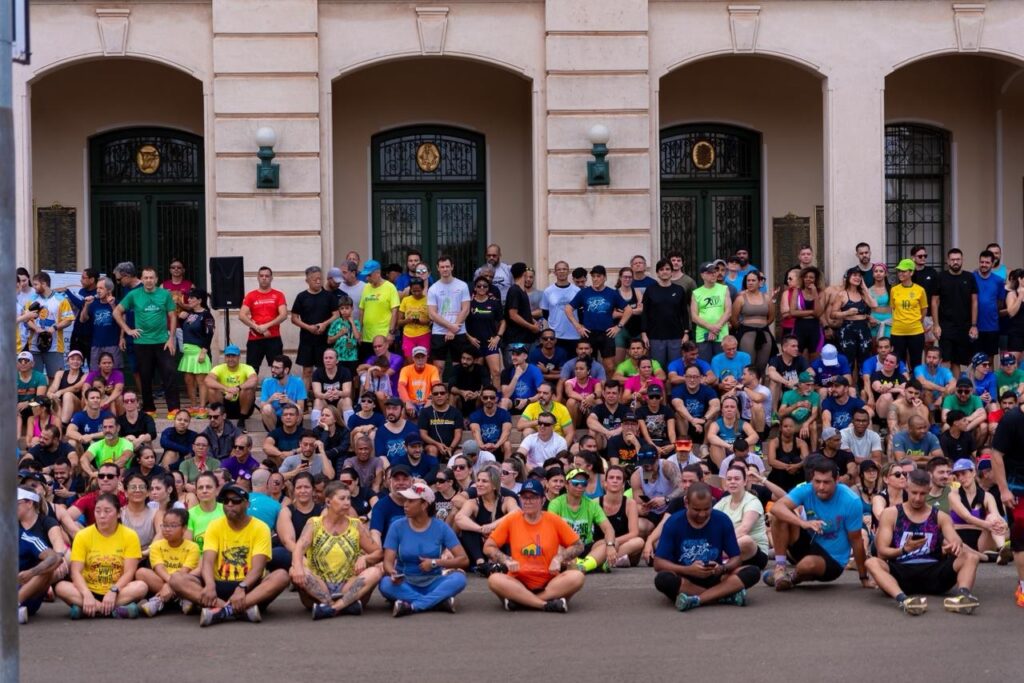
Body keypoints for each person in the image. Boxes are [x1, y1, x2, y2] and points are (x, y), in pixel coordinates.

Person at [170, 485, 290, 626]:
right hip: (217, 585)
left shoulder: (261, 527)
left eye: (235, 501)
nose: (229, 505)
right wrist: (209, 585)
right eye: (226, 501)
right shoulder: (214, 526)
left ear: (247, 504)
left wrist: (242, 587)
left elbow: (258, 568)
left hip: (249, 588)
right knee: (176, 579)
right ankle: (238, 610)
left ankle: (222, 611)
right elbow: (207, 562)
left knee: (282, 576)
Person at [865, 469, 981, 615]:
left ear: (929, 490)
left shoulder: (940, 516)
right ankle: (903, 600)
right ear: (907, 488)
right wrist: (904, 549)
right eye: (914, 493)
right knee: (871, 562)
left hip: (934, 572)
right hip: (902, 571)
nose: (918, 498)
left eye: (922, 493)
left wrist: (954, 545)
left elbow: (955, 539)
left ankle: (964, 596)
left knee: (971, 557)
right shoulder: (891, 514)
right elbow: (882, 550)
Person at [765, 455, 871, 591]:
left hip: (833, 560)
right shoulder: (807, 489)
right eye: (817, 481)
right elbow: (776, 507)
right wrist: (802, 523)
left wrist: (863, 577)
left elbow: (856, 541)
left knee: (807, 565)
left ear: (837, 480)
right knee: (780, 516)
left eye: (826, 482)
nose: (820, 487)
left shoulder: (851, 500)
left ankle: (790, 579)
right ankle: (780, 568)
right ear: (811, 479)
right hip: (808, 544)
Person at [653, 483, 761, 611]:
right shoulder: (673, 523)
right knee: (663, 579)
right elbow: (658, 563)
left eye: (707, 509)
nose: (702, 514)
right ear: (686, 503)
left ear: (712, 502)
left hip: (716, 577)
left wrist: (722, 568)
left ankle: (698, 599)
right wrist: (688, 570)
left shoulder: (722, 520)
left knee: (753, 571)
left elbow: (736, 558)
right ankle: (722, 596)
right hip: (685, 578)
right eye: (697, 510)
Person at [483, 479, 585, 613]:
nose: (527, 501)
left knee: (577, 576)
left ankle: (523, 601)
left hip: (549, 581)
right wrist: (506, 560)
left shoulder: (553, 520)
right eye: (524, 497)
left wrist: (559, 558)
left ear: (543, 500)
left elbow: (578, 545)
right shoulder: (512, 520)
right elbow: (488, 546)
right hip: (518, 581)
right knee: (494, 579)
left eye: (533, 497)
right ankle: (544, 605)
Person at [289, 481, 383, 619]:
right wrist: (297, 567)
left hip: (348, 584)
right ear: (328, 502)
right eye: (342, 498)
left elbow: (378, 552)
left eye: (349, 498)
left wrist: (365, 558)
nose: (347, 503)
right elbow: (299, 547)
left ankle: (332, 608)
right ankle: (345, 606)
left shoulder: (355, 525)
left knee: (375, 571)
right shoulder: (314, 523)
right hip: (320, 585)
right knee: (293, 569)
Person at [380, 480, 469, 617]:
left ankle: (413, 605)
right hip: (405, 582)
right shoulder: (397, 526)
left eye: (411, 501)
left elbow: (463, 560)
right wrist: (392, 573)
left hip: (434, 581)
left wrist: (435, 562)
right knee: (385, 583)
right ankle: (437, 602)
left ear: (424, 505)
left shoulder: (441, 527)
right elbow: (387, 562)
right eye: (405, 500)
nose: (405, 505)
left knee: (459, 579)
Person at [55, 493, 148, 618]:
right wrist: (86, 594)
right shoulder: (83, 535)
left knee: (141, 587)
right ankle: (111, 609)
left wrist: (113, 591)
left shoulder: (130, 535)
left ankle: (86, 608)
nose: (102, 515)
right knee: (61, 587)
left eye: (107, 511)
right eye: (97, 511)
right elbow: (76, 572)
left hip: (118, 591)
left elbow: (129, 572)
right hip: (88, 589)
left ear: (118, 513)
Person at [112, 266, 180, 418]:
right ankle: (149, 409)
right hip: (142, 343)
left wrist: (171, 338)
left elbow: (173, 316)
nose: (149, 280)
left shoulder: (164, 294)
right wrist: (128, 330)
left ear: (156, 280)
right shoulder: (134, 295)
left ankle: (174, 409)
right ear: (142, 279)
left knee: (169, 373)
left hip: (163, 342)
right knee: (145, 376)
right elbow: (116, 312)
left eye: (151, 278)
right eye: (146, 278)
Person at [546, 467, 617, 573]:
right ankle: (593, 564)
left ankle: (582, 567)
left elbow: (609, 529)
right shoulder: (556, 504)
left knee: (608, 542)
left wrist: (610, 545)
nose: (580, 486)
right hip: (564, 547)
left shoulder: (591, 504)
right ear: (566, 485)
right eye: (575, 483)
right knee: (555, 546)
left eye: (583, 483)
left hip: (585, 547)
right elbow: (551, 533)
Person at [564, 265, 632, 375]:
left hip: (607, 334)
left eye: (598, 276)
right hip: (589, 333)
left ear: (605, 278)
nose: (595, 279)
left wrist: (618, 327)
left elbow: (628, 310)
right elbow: (568, 308)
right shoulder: (584, 292)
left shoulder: (612, 293)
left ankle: (610, 391)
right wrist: (578, 326)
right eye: (593, 276)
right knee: (587, 365)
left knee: (610, 367)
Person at [989, 396, 1024, 606]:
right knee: (1022, 541)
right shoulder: (1011, 419)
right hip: (1017, 489)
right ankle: (1023, 587)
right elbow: (996, 454)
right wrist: (1003, 490)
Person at [456, 467, 521, 571]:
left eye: (484, 481)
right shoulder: (473, 503)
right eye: (478, 480)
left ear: (494, 486)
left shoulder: (507, 500)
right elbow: (459, 518)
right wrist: (480, 529)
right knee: (468, 529)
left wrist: (492, 526)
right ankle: (481, 563)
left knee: (511, 529)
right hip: (479, 547)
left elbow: (517, 513)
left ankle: (506, 561)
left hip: (500, 546)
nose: (479, 484)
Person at [17, 488, 62, 624]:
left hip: (28, 588)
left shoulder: (30, 535)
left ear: (29, 503)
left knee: (49, 568)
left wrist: (31, 573)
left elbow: (56, 556)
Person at [18, 271, 76, 377]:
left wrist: (54, 328)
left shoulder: (61, 300)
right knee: (34, 378)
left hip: (55, 347)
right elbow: (27, 319)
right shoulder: (31, 299)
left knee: (55, 377)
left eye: (36, 284)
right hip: (34, 346)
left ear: (44, 284)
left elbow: (68, 319)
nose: (33, 287)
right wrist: (36, 328)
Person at [931, 248, 978, 376]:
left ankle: (956, 389)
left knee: (958, 361)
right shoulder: (940, 277)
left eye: (958, 259)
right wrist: (936, 325)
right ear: (948, 261)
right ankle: (945, 391)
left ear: (962, 260)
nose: (955, 262)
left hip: (964, 325)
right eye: (952, 260)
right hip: (946, 325)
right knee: (946, 360)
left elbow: (974, 301)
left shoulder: (969, 277)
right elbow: (934, 302)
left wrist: (974, 325)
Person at [948, 458, 1008, 556]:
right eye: (958, 475)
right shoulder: (954, 495)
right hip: (961, 539)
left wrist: (1003, 524)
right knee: (991, 521)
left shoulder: (987, 496)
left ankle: (1002, 549)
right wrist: (989, 525)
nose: (961, 478)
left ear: (973, 472)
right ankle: (990, 556)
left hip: (981, 540)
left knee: (993, 517)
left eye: (964, 473)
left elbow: (997, 516)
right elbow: (967, 517)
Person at [238, 265, 289, 373]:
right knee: (251, 371)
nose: (264, 278)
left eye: (267, 276)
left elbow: (283, 315)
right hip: (255, 339)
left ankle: (277, 391)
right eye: (261, 276)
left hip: (273, 338)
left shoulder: (278, 295)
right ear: (257, 278)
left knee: (278, 370)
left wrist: (266, 326)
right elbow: (242, 315)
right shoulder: (251, 295)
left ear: (271, 278)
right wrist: (257, 327)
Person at [427, 255, 471, 372]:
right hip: (439, 332)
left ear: (452, 267)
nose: (445, 269)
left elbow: (465, 309)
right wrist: (450, 327)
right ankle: (439, 390)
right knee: (438, 367)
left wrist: (453, 329)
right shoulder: (433, 288)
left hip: (459, 331)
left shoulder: (462, 286)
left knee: (459, 366)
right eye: (442, 267)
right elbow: (432, 313)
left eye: (447, 266)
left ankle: (457, 390)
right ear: (438, 268)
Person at [177, 288, 215, 418]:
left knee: (201, 381)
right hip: (188, 353)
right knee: (188, 380)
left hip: (199, 351)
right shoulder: (188, 313)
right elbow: (185, 329)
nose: (189, 300)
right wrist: (180, 319)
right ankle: (193, 406)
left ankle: (202, 407)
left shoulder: (207, 315)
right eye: (189, 297)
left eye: (192, 298)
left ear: (199, 300)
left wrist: (204, 351)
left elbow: (209, 334)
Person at [731, 270, 775, 372]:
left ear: (760, 282)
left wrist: (762, 325)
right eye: (748, 280)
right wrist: (744, 327)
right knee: (749, 366)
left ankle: (761, 387)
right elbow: (733, 318)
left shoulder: (767, 298)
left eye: (753, 280)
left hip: (764, 334)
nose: (750, 283)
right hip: (747, 334)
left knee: (762, 365)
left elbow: (772, 317)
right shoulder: (740, 298)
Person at [690, 261, 731, 361]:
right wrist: (711, 327)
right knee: (705, 365)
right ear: (702, 275)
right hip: (703, 335)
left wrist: (716, 328)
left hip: (721, 334)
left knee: (722, 364)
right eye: (709, 272)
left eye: (714, 272)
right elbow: (694, 316)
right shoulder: (696, 293)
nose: (713, 274)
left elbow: (728, 311)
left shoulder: (724, 289)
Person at [81, 276, 123, 370]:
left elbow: (122, 322)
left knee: (114, 372)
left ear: (109, 290)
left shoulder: (117, 303)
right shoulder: (93, 303)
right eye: (97, 288)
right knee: (95, 373)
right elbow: (83, 319)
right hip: (96, 344)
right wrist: (86, 306)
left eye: (101, 288)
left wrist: (112, 305)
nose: (98, 291)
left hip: (112, 344)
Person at [670, 365, 720, 444]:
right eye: (689, 376)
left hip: (704, 423)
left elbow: (716, 406)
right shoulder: (678, 390)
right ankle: (685, 442)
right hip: (686, 423)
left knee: (714, 414)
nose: (692, 380)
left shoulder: (708, 390)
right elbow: (678, 406)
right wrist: (692, 420)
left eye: (695, 377)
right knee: (678, 414)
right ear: (684, 377)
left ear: (700, 378)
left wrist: (704, 419)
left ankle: (705, 446)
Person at [541, 260, 581, 357]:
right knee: (558, 367)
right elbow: (545, 312)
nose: (561, 271)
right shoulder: (548, 291)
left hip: (574, 334)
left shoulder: (577, 291)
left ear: (568, 271)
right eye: (559, 269)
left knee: (574, 366)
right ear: (555, 272)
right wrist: (554, 322)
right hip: (555, 335)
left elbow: (581, 312)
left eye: (564, 269)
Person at [258, 355, 307, 431]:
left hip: (291, 416)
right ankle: (275, 435)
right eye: (273, 367)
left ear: (286, 370)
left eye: (277, 368)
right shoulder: (267, 382)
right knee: (266, 408)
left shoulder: (298, 382)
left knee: (298, 408)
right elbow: (261, 409)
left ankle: (294, 434)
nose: (273, 370)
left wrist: (289, 401)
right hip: (275, 419)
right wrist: (271, 399)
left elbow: (301, 408)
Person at [974, 250, 1005, 364]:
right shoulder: (972, 277)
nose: (984, 265)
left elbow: (1000, 302)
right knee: (974, 359)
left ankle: (989, 382)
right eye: (982, 262)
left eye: (987, 262)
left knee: (989, 360)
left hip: (992, 326)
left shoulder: (998, 280)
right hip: (975, 326)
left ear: (992, 264)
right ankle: (974, 382)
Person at [469, 386, 513, 461]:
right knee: (472, 445)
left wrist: (496, 445)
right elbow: (475, 432)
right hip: (482, 447)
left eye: (492, 397)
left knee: (507, 444)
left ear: (496, 399)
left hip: (499, 446)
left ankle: (506, 468)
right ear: (482, 399)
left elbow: (506, 432)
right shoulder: (475, 415)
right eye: (485, 397)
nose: (489, 400)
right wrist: (482, 446)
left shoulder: (504, 414)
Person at [311, 347, 353, 425]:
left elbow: (347, 392)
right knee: (317, 401)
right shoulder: (317, 372)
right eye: (325, 358)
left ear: (337, 360)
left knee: (347, 400)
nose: (328, 360)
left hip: (339, 403)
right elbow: (316, 393)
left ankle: (350, 431)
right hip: (325, 403)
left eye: (330, 358)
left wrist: (338, 393)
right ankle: (315, 432)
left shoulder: (345, 371)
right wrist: (325, 395)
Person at [65, 386, 113, 454]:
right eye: (92, 398)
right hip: (84, 449)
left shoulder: (107, 415)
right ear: (86, 401)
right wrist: (81, 437)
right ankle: (79, 464)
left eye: (98, 398)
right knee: (71, 442)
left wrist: (91, 436)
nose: (95, 400)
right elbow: (69, 432)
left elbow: (112, 432)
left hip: (103, 448)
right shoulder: (79, 416)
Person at [398, 346, 441, 417]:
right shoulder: (405, 370)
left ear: (427, 357)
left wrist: (430, 400)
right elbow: (401, 386)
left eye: (423, 357)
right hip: (411, 402)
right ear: (413, 358)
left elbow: (436, 386)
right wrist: (407, 402)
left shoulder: (433, 369)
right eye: (417, 357)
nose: (420, 360)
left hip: (428, 401)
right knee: (402, 410)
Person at [47, 348, 86, 426]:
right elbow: (54, 387)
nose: (75, 361)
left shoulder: (85, 375)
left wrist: (60, 392)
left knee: (68, 394)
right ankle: (58, 425)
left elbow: (76, 388)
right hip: (60, 405)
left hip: (77, 407)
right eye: (72, 359)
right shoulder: (60, 373)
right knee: (54, 398)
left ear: (81, 363)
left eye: (78, 360)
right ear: (68, 361)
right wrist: (50, 393)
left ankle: (63, 424)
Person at [16, 352, 48, 445]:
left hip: (32, 404)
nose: (23, 363)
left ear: (32, 363)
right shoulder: (11, 376)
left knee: (38, 406)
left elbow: (40, 398)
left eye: (26, 361)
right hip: (18, 407)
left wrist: (27, 403)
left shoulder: (40, 376)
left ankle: (40, 436)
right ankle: (16, 440)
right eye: (20, 360)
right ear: (17, 363)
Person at [398, 277, 430, 362]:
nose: (416, 293)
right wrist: (407, 320)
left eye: (419, 291)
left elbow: (430, 321)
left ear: (423, 289)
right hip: (408, 335)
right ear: (410, 289)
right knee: (410, 362)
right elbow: (399, 322)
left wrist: (420, 321)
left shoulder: (428, 300)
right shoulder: (405, 300)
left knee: (422, 361)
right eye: (413, 291)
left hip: (424, 334)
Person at [84, 351, 125, 416]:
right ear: (99, 365)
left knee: (119, 398)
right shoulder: (93, 374)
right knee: (84, 397)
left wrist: (106, 402)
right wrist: (87, 401)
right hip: (97, 398)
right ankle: (86, 417)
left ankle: (121, 420)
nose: (107, 365)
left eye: (109, 363)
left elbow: (118, 390)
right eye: (104, 363)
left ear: (113, 364)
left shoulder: (118, 374)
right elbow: (85, 387)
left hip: (110, 400)